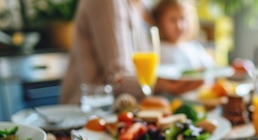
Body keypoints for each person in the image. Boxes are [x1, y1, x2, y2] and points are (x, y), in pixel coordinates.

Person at [60, 0, 203, 105]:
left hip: (126, 108)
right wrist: (160, 84)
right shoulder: (108, 3)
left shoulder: (147, 5)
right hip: (88, 111)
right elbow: (117, 78)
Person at [152, 0, 215, 70]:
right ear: (160, 22)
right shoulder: (157, 52)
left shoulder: (195, 48)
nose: (179, 26)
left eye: (183, 18)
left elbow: (213, 70)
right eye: (173, 20)